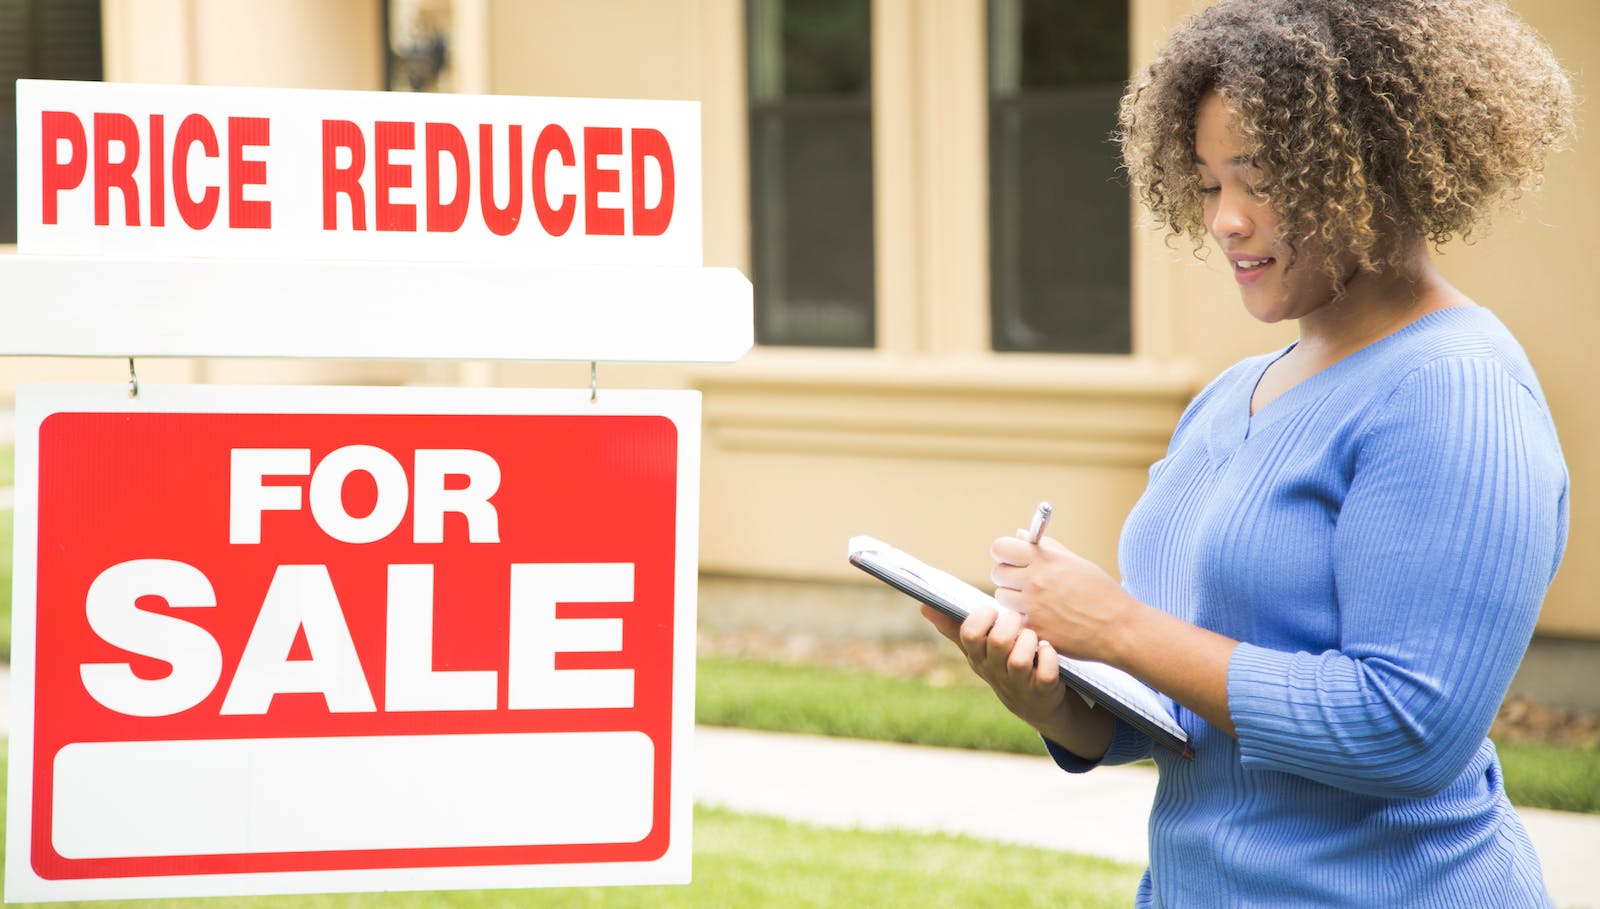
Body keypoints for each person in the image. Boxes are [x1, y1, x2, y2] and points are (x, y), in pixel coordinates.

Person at [922, 0, 1576, 905]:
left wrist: (1117, 625)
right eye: (1206, 184)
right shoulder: (1231, 396)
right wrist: (1057, 697)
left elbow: (1408, 730)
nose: (1226, 220)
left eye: (1261, 179)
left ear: (1373, 168)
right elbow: (1189, 713)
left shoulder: (1455, 389)